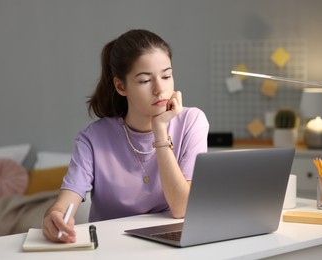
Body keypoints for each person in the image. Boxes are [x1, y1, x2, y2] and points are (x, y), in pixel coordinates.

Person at [42, 29, 209, 243]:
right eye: (145, 80)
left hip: (172, 244)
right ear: (121, 86)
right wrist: (54, 215)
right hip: (112, 247)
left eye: (166, 76)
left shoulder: (191, 121)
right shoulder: (92, 138)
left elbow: (181, 208)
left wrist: (159, 129)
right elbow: (65, 202)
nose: (160, 89)